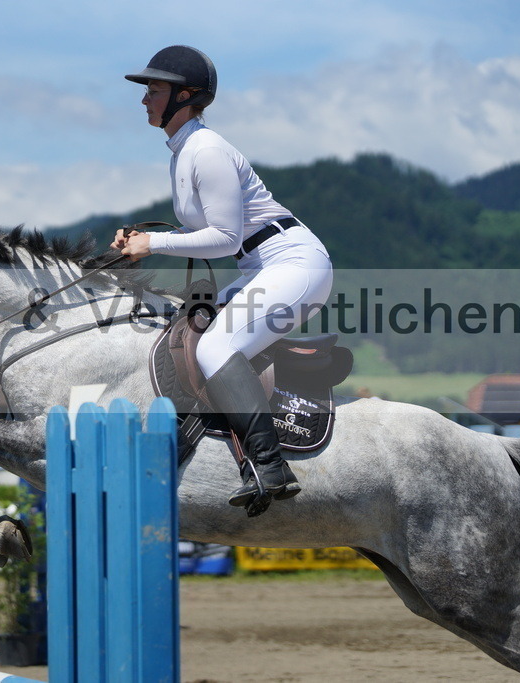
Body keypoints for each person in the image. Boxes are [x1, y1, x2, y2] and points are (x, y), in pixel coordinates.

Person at [114, 45, 333, 514]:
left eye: (154, 90)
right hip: (261, 266)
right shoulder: (183, 151)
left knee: (216, 347)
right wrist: (141, 239)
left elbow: (224, 238)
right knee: (184, 329)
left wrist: (154, 244)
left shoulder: (206, 150)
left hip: (295, 264)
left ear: (184, 96)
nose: (145, 98)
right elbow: (206, 233)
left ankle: (269, 466)